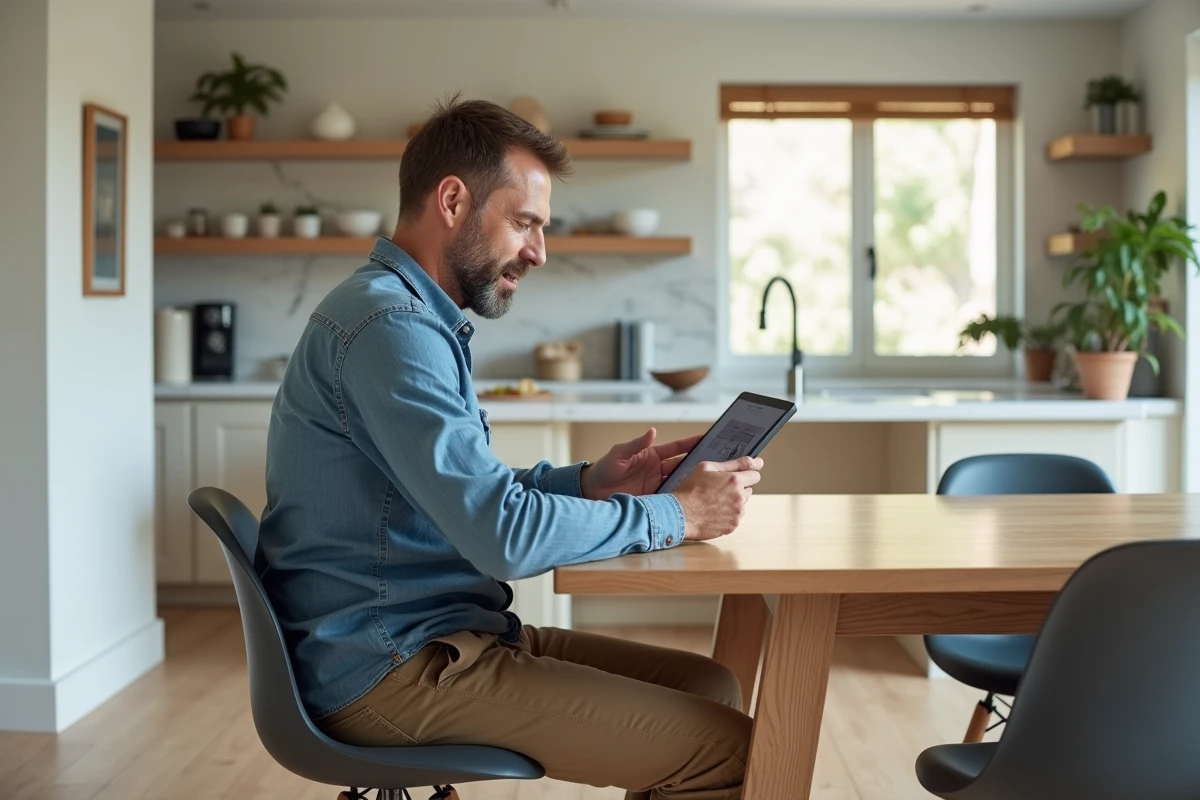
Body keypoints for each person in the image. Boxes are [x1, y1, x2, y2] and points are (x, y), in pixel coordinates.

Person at [258, 96, 762, 800]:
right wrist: (680, 515)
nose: (540, 252)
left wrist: (591, 482)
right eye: (524, 222)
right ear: (454, 201)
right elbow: (501, 536)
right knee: (735, 751)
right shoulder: (390, 328)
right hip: (393, 665)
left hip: (435, 634)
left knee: (710, 682)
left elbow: (464, 494)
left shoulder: (405, 317)